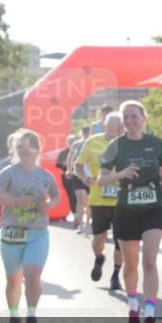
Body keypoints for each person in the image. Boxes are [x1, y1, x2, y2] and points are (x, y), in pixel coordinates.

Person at [99, 100, 162, 323]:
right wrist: (121, 174)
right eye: (127, 117)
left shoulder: (155, 143)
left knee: (150, 262)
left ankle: (150, 313)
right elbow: (101, 180)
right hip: (126, 210)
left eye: (135, 116)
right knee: (131, 265)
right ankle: (133, 306)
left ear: (144, 118)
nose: (131, 121)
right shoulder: (115, 146)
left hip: (154, 208)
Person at [0, 129, 61, 323]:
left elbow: (55, 197)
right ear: (14, 149)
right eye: (20, 147)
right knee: (13, 280)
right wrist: (15, 201)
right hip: (12, 233)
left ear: (37, 149)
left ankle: (31, 315)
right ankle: (13, 316)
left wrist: (48, 204)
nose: (25, 151)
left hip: (38, 233)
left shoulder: (45, 176)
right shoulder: (8, 173)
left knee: (32, 276)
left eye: (30, 146)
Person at [75, 111, 125, 291]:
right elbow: (78, 164)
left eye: (118, 129)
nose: (114, 133)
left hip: (123, 199)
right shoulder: (92, 141)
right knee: (99, 238)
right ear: (104, 126)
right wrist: (83, 178)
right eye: (111, 129)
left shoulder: (128, 142)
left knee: (121, 240)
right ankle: (99, 258)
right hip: (99, 198)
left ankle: (115, 275)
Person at [69, 125, 93, 234]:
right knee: (81, 200)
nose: (86, 134)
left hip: (92, 175)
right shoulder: (76, 144)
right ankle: (80, 224)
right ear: (81, 133)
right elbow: (70, 157)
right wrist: (69, 169)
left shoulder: (94, 143)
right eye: (84, 132)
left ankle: (88, 224)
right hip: (78, 175)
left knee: (89, 202)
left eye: (88, 132)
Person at [56, 134, 77, 219]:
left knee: (76, 194)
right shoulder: (63, 153)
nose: (71, 143)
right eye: (69, 142)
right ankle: (75, 213)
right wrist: (64, 164)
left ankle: (78, 213)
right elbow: (58, 165)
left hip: (77, 176)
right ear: (67, 143)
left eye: (73, 141)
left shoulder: (79, 151)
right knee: (71, 195)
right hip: (66, 177)